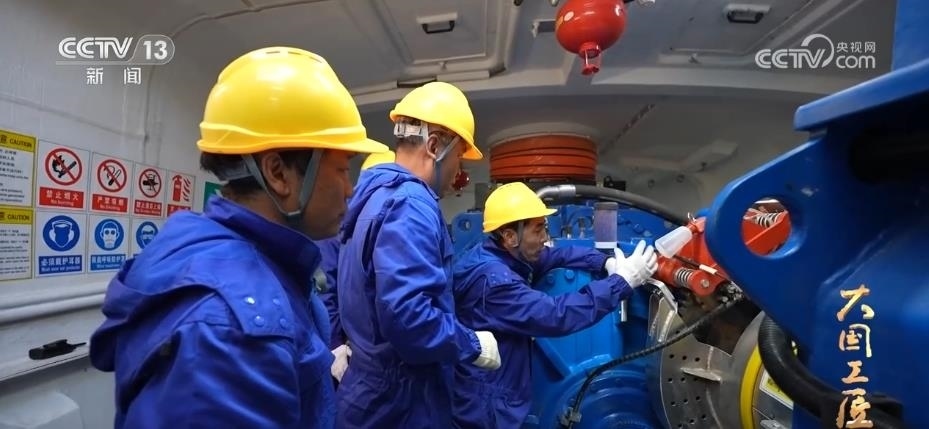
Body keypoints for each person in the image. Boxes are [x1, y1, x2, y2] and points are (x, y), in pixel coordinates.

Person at [88, 46, 389, 429]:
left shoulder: (255, 260)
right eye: (343, 170)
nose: (350, 190)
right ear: (278, 173)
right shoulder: (229, 327)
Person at [336, 82, 502, 428]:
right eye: (458, 158)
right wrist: (472, 344)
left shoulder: (373, 196)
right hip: (399, 402)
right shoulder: (411, 204)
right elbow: (409, 319)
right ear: (434, 146)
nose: (459, 171)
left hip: (370, 391)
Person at [451, 182, 659, 428]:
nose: (544, 239)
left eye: (545, 228)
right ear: (510, 236)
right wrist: (621, 282)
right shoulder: (495, 281)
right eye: (538, 230)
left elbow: (558, 255)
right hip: (486, 402)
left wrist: (605, 263)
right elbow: (555, 314)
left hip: (494, 387)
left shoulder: (503, 254)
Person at [316, 150, 397, 383]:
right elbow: (325, 287)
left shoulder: (378, 220)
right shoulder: (338, 221)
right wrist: (334, 344)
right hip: (348, 344)